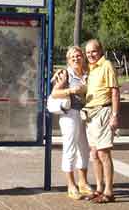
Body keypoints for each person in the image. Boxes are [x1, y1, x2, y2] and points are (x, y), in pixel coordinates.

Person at [51, 46, 92, 200]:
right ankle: (71, 185)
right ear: (68, 59)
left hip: (85, 114)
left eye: (79, 55)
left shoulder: (88, 72)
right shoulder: (65, 74)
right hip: (70, 115)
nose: (76, 58)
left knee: (84, 149)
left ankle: (83, 182)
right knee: (70, 149)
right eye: (73, 56)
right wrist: (72, 91)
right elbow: (55, 93)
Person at [83, 39, 120, 204]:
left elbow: (115, 92)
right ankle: (99, 188)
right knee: (94, 153)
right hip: (91, 115)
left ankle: (109, 191)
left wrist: (114, 115)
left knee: (103, 153)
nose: (90, 54)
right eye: (88, 52)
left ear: (100, 51)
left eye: (93, 51)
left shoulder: (107, 65)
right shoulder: (91, 68)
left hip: (103, 113)